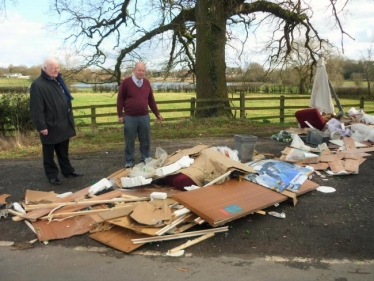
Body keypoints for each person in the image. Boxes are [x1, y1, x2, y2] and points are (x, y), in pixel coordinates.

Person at [29, 57, 83, 185]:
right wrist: (41, 126)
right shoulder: (38, 85)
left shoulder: (58, 81)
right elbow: (36, 108)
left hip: (63, 122)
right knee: (49, 153)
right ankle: (52, 175)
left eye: (57, 68)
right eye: (53, 68)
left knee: (63, 150)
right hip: (49, 124)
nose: (56, 70)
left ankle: (67, 171)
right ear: (45, 68)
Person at [116, 62, 163, 168]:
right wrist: (120, 114)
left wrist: (157, 114)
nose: (141, 72)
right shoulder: (126, 82)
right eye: (139, 70)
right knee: (129, 140)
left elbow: (151, 100)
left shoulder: (146, 83)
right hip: (130, 117)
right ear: (134, 70)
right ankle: (129, 160)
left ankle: (145, 158)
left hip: (144, 117)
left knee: (145, 139)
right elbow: (120, 99)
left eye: (143, 70)